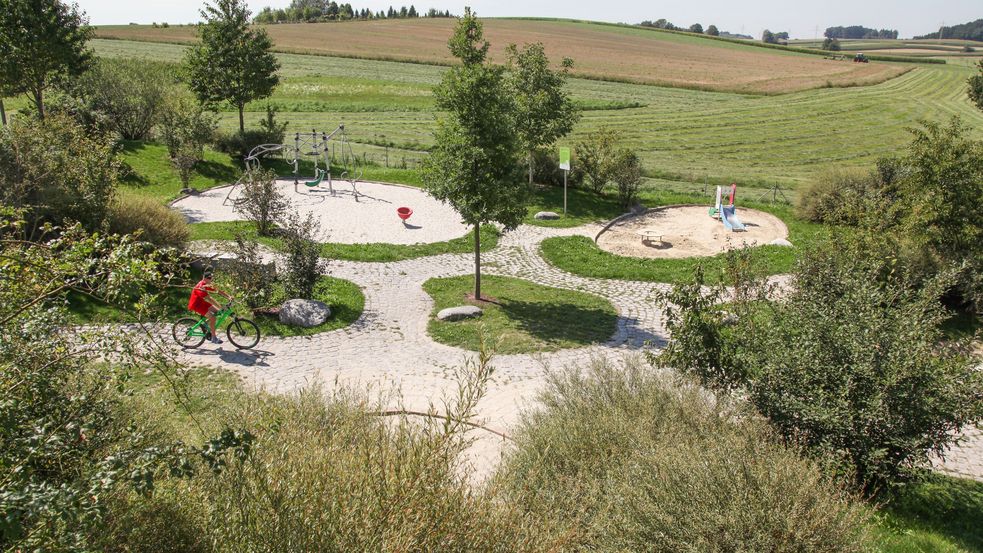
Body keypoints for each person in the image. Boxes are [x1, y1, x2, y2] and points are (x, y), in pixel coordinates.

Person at [187, 270, 231, 344]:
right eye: (210, 278)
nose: (211, 280)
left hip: (202, 303)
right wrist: (221, 307)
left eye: (212, 278)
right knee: (213, 318)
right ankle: (214, 338)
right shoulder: (201, 287)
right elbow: (209, 299)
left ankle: (205, 324)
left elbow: (218, 290)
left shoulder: (206, 284)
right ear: (205, 278)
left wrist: (229, 296)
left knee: (217, 312)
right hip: (196, 305)